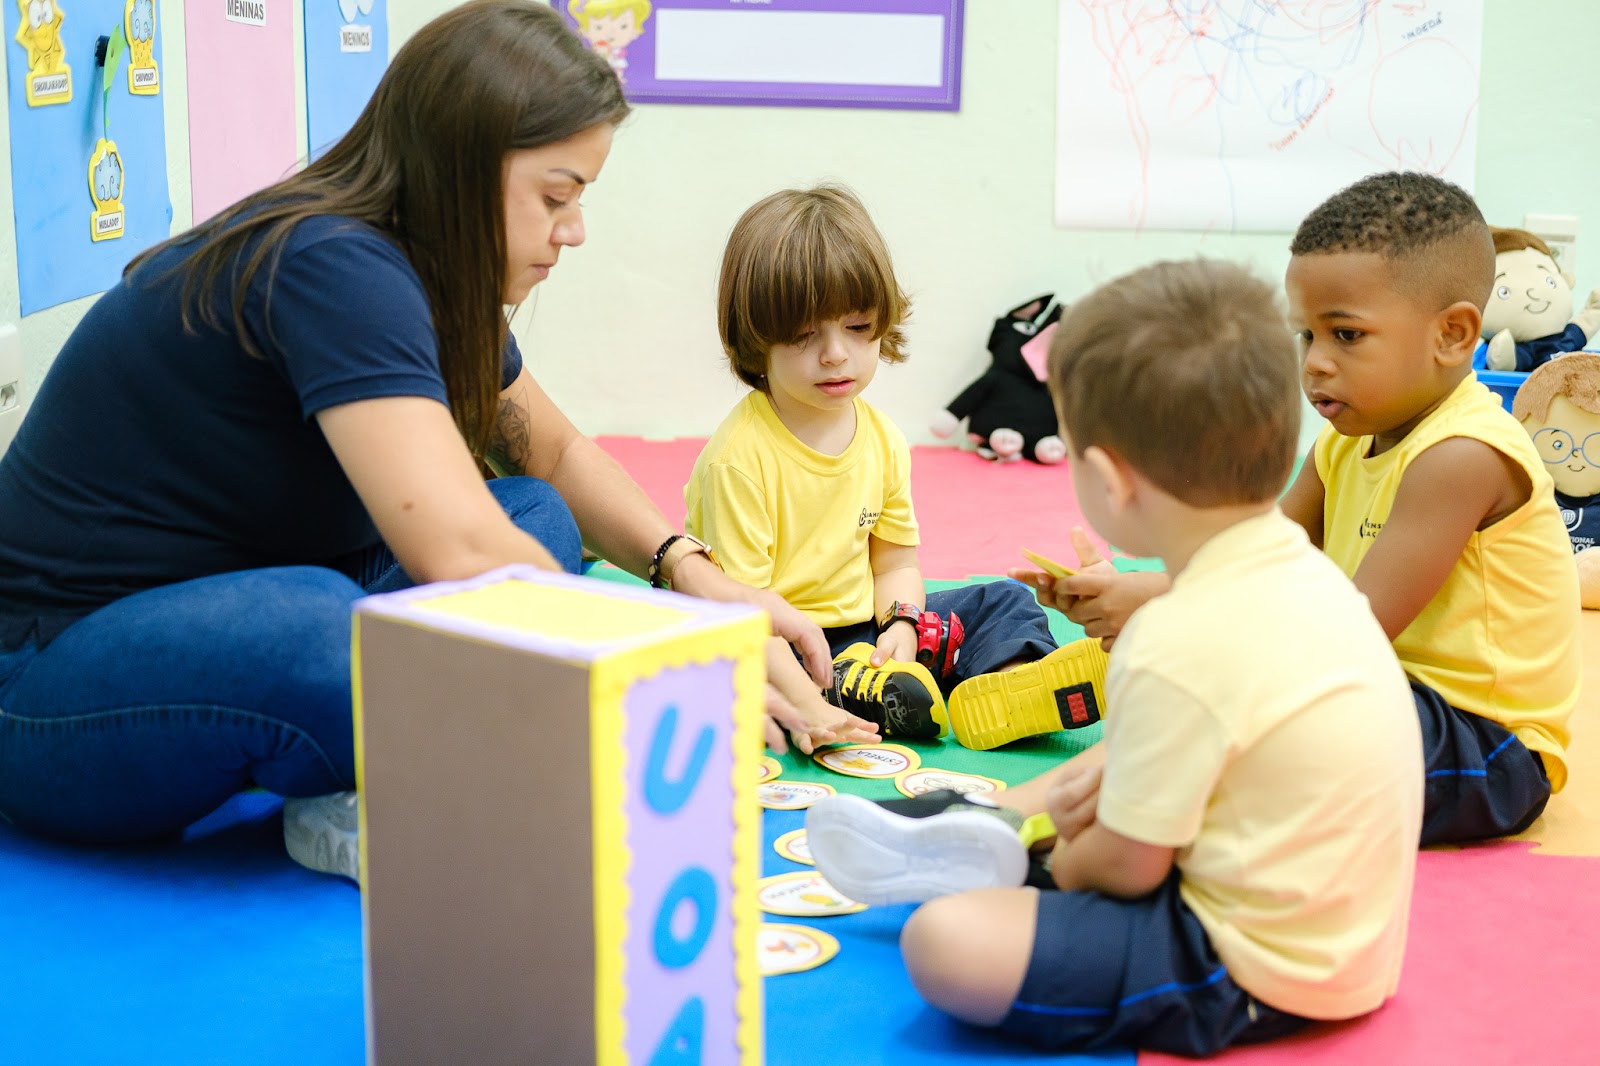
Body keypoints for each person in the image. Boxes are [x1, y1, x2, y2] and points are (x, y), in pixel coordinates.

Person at [0, 0, 838, 882]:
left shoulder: (431, 276)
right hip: (50, 677)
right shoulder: (333, 262)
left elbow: (549, 455)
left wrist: (698, 579)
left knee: (536, 514)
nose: (575, 229)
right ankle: (397, 744)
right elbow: (459, 545)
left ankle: (397, 742)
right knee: (322, 636)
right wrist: (675, 681)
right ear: (464, 170)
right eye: (556, 196)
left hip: (234, 599)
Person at [805, 258, 1423, 1055]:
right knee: (1104, 779)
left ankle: (996, 845)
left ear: (1105, 479)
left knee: (944, 943)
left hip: (1249, 965)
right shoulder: (1301, 572)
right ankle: (986, 819)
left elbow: (1126, 870)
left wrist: (1060, 851)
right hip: (1351, 934)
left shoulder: (1171, 639)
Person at [1055, 172, 1581, 845]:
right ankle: (1107, 780)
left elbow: (1345, 631)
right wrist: (1152, 594)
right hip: (1380, 692)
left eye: (1347, 336)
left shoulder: (1462, 456)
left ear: (1452, 335)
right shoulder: (1342, 444)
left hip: (1484, 749)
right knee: (1206, 679)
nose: (1316, 365)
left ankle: (1108, 807)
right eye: (1305, 336)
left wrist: (1172, 612)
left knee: (1241, 705)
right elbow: (1253, 558)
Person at [685, 184, 1108, 753]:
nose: (836, 354)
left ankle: (1008, 685)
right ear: (756, 339)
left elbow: (896, 561)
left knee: (1003, 601)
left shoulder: (882, 438)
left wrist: (903, 624)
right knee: (799, 672)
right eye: (805, 335)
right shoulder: (739, 460)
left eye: (857, 328)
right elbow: (744, 616)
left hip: (872, 626)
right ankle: (865, 693)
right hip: (788, 646)